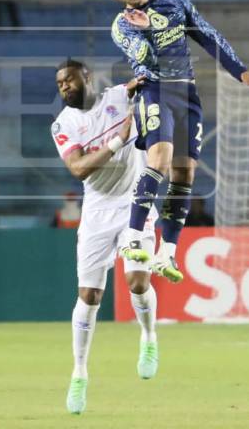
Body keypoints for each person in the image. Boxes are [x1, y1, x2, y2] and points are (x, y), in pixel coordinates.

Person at [98, 0, 249, 283]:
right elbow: (144, 57)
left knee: (184, 173)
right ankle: (132, 238)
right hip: (154, 91)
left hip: (186, 95)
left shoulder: (176, 3)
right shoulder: (121, 26)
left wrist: (240, 72)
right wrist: (147, 31)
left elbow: (208, 35)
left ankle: (167, 253)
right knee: (159, 159)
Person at [52, 59, 160, 414]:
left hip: (134, 202)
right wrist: (118, 140)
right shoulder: (63, 124)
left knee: (137, 281)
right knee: (89, 294)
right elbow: (79, 168)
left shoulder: (117, 96)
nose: (63, 87)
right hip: (97, 211)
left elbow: (144, 84)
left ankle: (148, 336)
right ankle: (79, 372)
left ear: (86, 78)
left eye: (68, 80)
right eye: (59, 84)